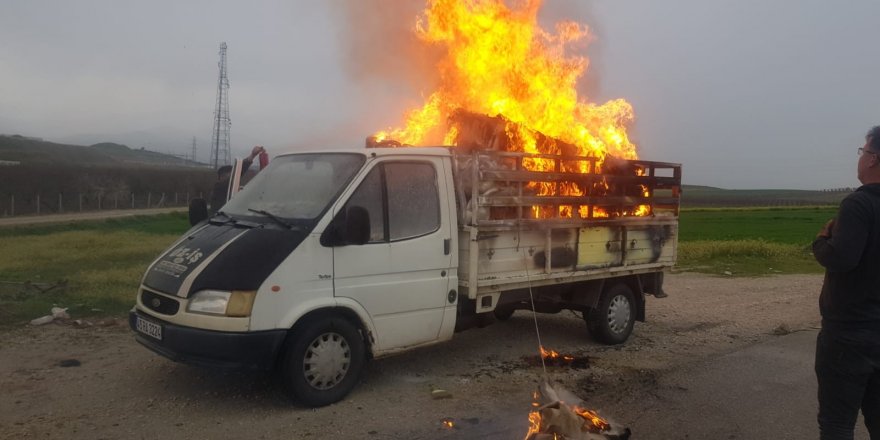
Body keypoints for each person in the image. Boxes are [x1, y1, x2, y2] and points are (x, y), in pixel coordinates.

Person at [812, 125, 880, 439]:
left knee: (838, 423)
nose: (861, 157)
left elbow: (842, 259)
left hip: (849, 334)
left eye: (863, 151)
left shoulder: (859, 203)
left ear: (874, 159)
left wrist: (822, 241)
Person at [209, 145, 266, 214]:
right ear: (221, 177)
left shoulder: (228, 190)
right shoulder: (218, 187)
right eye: (232, 175)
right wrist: (252, 155)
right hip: (218, 221)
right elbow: (234, 177)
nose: (234, 178)